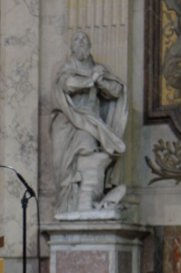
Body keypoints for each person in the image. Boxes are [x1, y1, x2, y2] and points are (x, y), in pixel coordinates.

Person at [50, 31, 128, 213]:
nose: (81, 43)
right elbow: (68, 85)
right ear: (72, 47)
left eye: (84, 40)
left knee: (87, 150)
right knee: (63, 169)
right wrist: (90, 79)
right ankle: (68, 204)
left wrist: (100, 81)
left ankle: (84, 203)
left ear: (89, 46)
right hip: (67, 123)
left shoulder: (98, 68)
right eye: (77, 40)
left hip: (88, 123)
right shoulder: (67, 67)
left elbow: (116, 90)